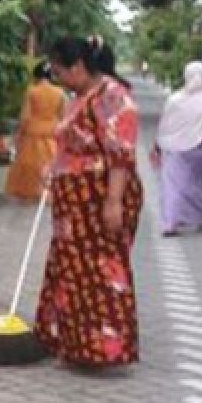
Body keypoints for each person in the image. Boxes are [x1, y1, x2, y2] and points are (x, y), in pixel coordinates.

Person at [38, 35, 143, 368]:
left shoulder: (113, 98)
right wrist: (53, 169)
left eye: (59, 71)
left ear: (79, 67)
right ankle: (73, 343)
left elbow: (120, 155)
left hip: (98, 199)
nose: (56, 78)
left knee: (100, 272)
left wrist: (112, 202)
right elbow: (72, 146)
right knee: (71, 271)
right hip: (73, 204)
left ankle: (103, 348)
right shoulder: (81, 96)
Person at [149, 61, 202, 236]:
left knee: (173, 186)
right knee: (201, 185)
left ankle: (170, 223)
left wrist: (156, 146)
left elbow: (165, 126)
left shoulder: (175, 99)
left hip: (175, 148)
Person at [5, 61, 67, 200]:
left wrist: (19, 135)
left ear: (36, 76)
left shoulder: (32, 91)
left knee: (29, 164)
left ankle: (30, 192)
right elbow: (64, 116)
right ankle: (49, 192)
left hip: (32, 132)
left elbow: (25, 117)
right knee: (50, 162)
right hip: (52, 133)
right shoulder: (60, 92)